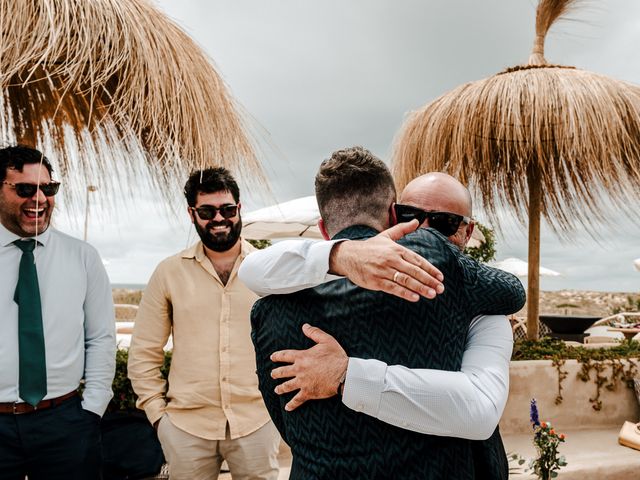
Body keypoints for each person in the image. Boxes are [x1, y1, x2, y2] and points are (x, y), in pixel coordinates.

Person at [250, 147, 525, 479]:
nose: (423, 232)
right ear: (395, 216)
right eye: (412, 215)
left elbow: (286, 423)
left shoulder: (267, 310)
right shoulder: (444, 268)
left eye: (444, 222)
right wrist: (342, 256)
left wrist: (345, 375)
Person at [127, 167, 280, 480]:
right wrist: (159, 418)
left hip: (257, 421)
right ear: (192, 213)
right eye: (207, 211)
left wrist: (278, 411)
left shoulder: (268, 271)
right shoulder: (168, 272)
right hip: (185, 428)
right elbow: (143, 351)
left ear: (239, 209)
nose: (219, 218)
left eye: (227, 209)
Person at [0, 145, 116, 479]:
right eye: (24, 189)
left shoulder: (83, 257)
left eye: (48, 189)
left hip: (65, 423)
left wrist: (92, 408)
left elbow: (101, 338)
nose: (39, 199)